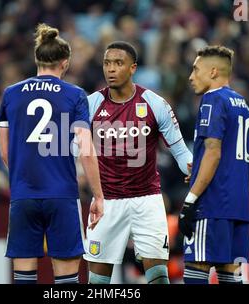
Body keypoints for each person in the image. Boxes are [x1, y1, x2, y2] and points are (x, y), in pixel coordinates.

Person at [0, 23, 104, 284]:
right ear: (65, 63)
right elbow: (86, 148)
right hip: (62, 194)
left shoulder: (10, 94)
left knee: (24, 277)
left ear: (37, 59)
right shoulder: (75, 95)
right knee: (66, 281)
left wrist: (27, 175)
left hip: (23, 195)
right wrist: (98, 195)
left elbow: (4, 153)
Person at [84, 41, 193, 284]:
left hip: (147, 201)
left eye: (118, 63)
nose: (111, 69)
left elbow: (179, 149)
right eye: (107, 63)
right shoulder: (90, 104)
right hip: (106, 202)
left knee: (158, 277)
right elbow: (74, 149)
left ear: (133, 68)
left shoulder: (155, 103)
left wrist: (193, 169)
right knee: (97, 283)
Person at [179, 45, 249, 284]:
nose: (191, 77)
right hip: (237, 205)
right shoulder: (244, 105)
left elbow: (213, 152)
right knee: (229, 271)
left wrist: (191, 200)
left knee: (196, 265)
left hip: (212, 204)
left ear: (213, 72)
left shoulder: (212, 99)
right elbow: (242, 164)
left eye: (196, 69)